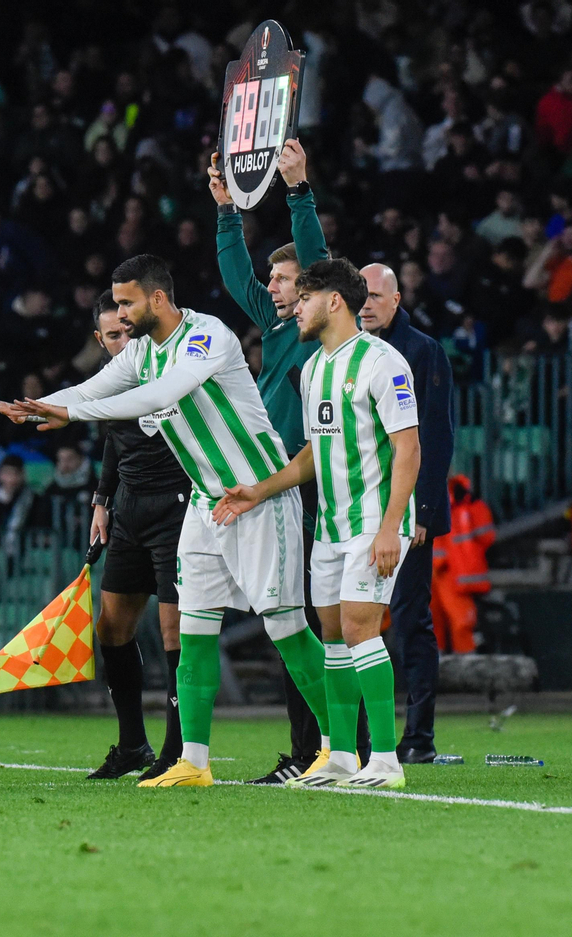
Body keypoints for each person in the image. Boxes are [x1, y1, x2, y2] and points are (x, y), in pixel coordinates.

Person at [0, 254, 333, 788]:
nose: (119, 316)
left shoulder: (206, 336)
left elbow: (159, 395)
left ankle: (336, 749)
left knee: (285, 626)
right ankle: (193, 760)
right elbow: (94, 389)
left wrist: (70, 414)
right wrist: (34, 407)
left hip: (260, 497)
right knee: (192, 631)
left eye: (127, 303)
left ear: (158, 299)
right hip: (205, 504)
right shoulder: (141, 352)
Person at [214, 259, 422, 789]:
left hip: (374, 519)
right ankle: (343, 757)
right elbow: (314, 452)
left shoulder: (384, 362)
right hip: (329, 524)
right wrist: (258, 491)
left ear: (334, 301)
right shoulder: (311, 369)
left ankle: (387, 761)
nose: (295, 306)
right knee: (330, 633)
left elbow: (408, 448)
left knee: (357, 625)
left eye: (304, 296)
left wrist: (389, 527)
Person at [209, 138, 334, 784]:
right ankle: (322, 748)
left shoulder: (317, 330)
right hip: (272, 484)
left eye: (283, 280)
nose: (273, 288)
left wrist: (298, 189)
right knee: (295, 618)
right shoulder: (279, 328)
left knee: (305, 620)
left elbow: (315, 257)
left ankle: (325, 748)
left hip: (306, 482)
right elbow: (237, 281)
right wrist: (227, 211)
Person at [80, 291, 188, 781]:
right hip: (129, 513)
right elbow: (114, 441)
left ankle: (177, 750)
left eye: (127, 331)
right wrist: (102, 501)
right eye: (113, 336)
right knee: (111, 628)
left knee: (176, 634)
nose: (122, 342)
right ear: (99, 340)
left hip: (177, 508)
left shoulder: (168, 366)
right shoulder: (112, 383)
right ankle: (132, 745)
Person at [358, 263, 455, 763]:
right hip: (357, 512)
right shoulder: (347, 351)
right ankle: (355, 741)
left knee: (410, 620)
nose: (367, 304)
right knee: (354, 620)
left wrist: (424, 510)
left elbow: (435, 438)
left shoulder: (422, 351)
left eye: (377, 295)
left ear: (396, 300)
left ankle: (418, 738)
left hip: (404, 513)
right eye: (362, 295)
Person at [430, 474, 495, 653]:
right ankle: (457, 664)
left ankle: (447, 665)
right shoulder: (468, 506)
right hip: (448, 573)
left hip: (446, 573)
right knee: (449, 624)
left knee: (450, 624)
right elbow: (486, 537)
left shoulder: (454, 505)